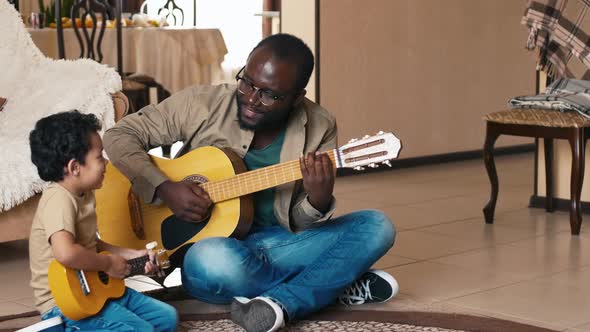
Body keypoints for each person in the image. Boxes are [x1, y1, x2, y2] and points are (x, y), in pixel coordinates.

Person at [104, 33, 397, 332]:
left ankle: (285, 300)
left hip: (276, 244)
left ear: (297, 97)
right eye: (246, 82)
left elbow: (300, 223)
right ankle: (329, 284)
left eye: (269, 94)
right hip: (212, 250)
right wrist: (164, 187)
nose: (251, 99)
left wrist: (317, 200)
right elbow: (118, 136)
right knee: (213, 260)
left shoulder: (320, 125)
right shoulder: (202, 103)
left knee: (377, 226)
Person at [28, 111, 178, 331]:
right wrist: (108, 264)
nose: (107, 162)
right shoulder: (58, 199)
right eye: (99, 156)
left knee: (167, 319)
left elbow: (88, 244)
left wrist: (130, 255)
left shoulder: (85, 193)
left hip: (96, 290)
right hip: (67, 304)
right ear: (74, 167)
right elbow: (67, 253)